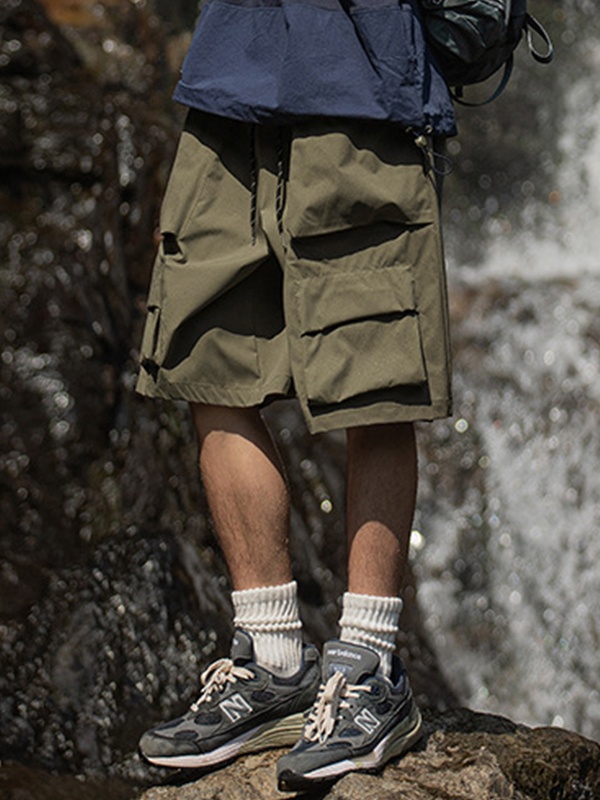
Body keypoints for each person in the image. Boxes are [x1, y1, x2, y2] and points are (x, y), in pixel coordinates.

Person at [135, 0, 456, 790]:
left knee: (376, 374)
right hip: (226, 81)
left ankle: (370, 666)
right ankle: (273, 660)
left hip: (361, 85)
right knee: (204, 358)